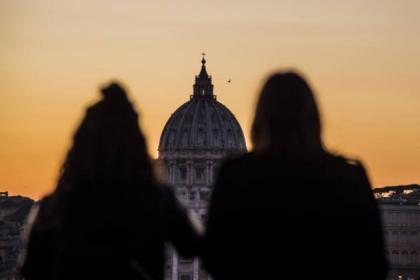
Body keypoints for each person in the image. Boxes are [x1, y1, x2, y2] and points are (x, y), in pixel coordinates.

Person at [201, 72, 388, 280]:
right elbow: (375, 265)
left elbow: (214, 258)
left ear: (260, 121)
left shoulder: (235, 176)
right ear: (315, 120)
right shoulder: (350, 178)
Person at [19, 82, 201, 280]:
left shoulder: (53, 206)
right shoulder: (158, 199)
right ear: (137, 144)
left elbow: (31, 270)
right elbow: (198, 247)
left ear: (80, 145)